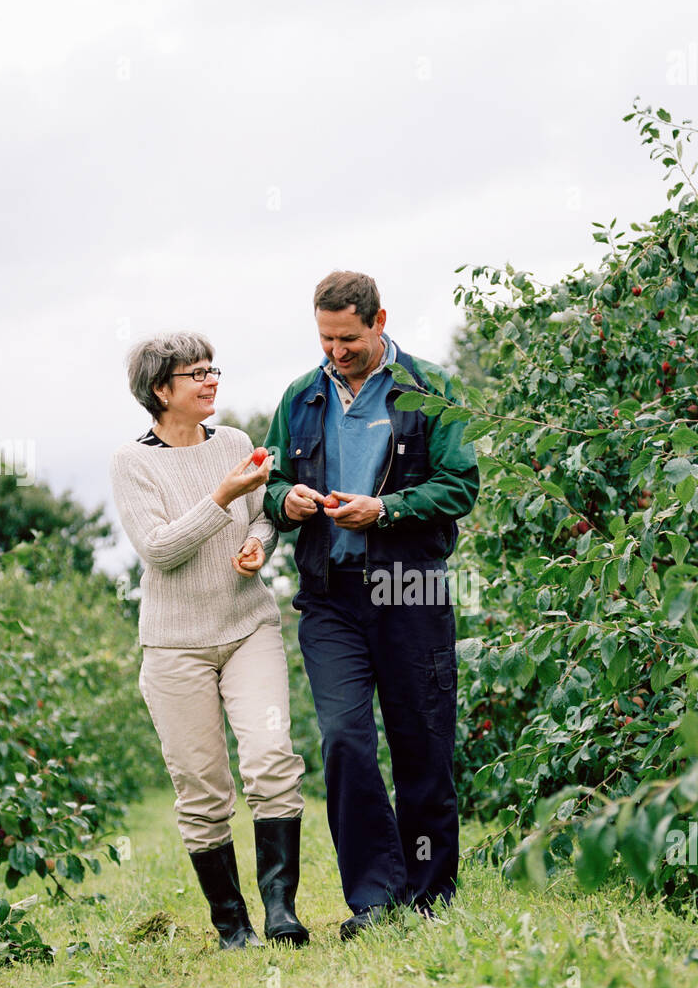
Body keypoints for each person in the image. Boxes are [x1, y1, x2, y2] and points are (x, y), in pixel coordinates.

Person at [262, 272, 480, 939]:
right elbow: (268, 480)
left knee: (422, 740)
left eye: (348, 338)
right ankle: (375, 901)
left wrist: (384, 511)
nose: (336, 351)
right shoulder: (300, 397)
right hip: (331, 599)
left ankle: (430, 896)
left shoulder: (430, 389)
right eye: (325, 339)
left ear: (379, 320)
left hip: (410, 588)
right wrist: (286, 501)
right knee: (345, 740)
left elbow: (459, 486)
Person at [110, 331, 309, 949]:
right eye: (195, 374)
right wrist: (222, 495)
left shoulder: (237, 443)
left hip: (247, 627)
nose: (210, 381)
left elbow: (262, 518)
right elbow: (160, 550)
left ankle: (281, 913)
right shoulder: (132, 463)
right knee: (201, 788)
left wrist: (259, 544)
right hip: (175, 647)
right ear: (160, 391)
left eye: (211, 369)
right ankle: (233, 927)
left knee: (272, 757)